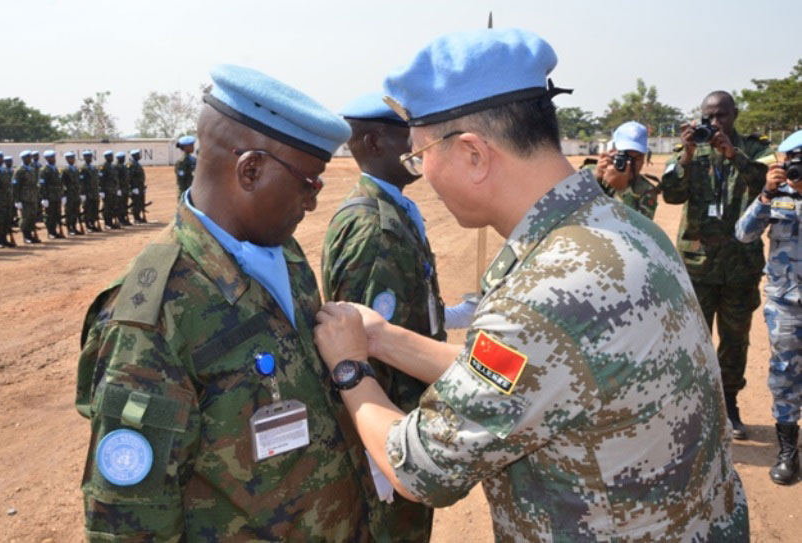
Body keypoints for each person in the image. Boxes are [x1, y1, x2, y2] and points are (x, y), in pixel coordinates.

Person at [312, 28, 748, 541]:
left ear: (473, 155)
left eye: (418, 155)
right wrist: (383, 338)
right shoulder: (620, 227)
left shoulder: (547, 291)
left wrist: (349, 368)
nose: (422, 173)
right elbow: (533, 373)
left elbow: (420, 469)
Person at [76, 63, 379, 541]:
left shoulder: (287, 255)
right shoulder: (153, 316)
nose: (314, 202)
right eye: (309, 183)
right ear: (251, 170)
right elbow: (131, 521)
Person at [321, 92, 444, 542]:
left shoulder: (393, 211)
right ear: (373, 143)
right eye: (407, 137)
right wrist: (380, 456)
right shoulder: (375, 227)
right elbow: (363, 347)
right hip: (390, 429)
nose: (418, 147)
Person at [661, 90, 773, 439]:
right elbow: (671, 194)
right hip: (697, 265)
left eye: (721, 115)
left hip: (740, 265)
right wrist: (687, 155)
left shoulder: (755, 150)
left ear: (734, 115)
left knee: (734, 339)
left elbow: (764, 182)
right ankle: (693, 408)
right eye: (708, 116)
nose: (714, 123)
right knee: (692, 339)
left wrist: (732, 153)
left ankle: (730, 404)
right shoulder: (690, 149)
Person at [735, 130, 802, 485]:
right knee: (785, 375)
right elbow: (743, 234)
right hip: (785, 302)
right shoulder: (775, 195)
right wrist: (766, 194)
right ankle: (788, 451)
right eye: (794, 161)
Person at [583, 121, 659, 220]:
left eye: (636, 158)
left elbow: (638, 230)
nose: (629, 163)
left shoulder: (646, 190)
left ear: (644, 158)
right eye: (625, 156)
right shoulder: (590, 172)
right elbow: (570, 211)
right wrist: (596, 180)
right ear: (612, 152)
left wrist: (622, 191)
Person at [13, 151, 40, 244]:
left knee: (32, 216)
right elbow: (15, 186)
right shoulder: (19, 170)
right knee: (25, 217)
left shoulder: (31, 169)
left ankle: (31, 235)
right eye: (28, 157)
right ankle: (26, 236)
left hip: (32, 197)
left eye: (30, 157)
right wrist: (17, 200)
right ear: (23, 158)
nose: (30, 159)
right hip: (24, 198)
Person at [39, 150, 65, 239]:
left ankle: (54, 231)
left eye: (53, 157)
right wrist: (44, 198)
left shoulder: (55, 169)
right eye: (51, 157)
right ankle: (50, 232)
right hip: (49, 196)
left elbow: (60, 183)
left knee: (56, 214)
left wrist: (62, 194)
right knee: (49, 215)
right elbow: (42, 185)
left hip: (57, 196)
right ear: (46, 158)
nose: (53, 159)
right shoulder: (44, 170)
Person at [61, 151, 83, 236]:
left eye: (73, 158)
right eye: (70, 158)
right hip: (69, 194)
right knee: (69, 212)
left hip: (76, 194)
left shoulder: (76, 169)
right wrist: (63, 195)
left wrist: (80, 192)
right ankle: (69, 228)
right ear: (67, 159)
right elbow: (61, 183)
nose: (72, 160)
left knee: (76, 211)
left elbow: (79, 182)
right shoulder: (65, 170)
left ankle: (74, 227)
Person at [98, 150, 120, 230]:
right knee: (107, 207)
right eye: (109, 156)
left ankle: (111, 222)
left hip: (113, 190)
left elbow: (116, 179)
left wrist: (117, 188)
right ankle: (107, 223)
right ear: (106, 157)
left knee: (113, 206)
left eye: (112, 156)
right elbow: (101, 179)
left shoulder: (112, 166)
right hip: (107, 190)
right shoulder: (103, 167)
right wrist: (101, 191)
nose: (111, 158)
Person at [79, 150, 100, 232]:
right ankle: (88, 225)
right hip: (87, 192)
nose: (89, 158)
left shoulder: (93, 168)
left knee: (95, 208)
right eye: (87, 156)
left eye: (90, 156)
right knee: (88, 209)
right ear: (84, 158)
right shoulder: (83, 169)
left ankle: (92, 223)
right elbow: (81, 182)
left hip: (94, 192)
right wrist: (82, 193)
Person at [127, 149, 147, 223]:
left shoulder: (137, 164)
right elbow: (130, 177)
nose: (139, 156)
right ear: (135, 156)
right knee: (136, 202)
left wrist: (143, 186)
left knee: (140, 201)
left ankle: (139, 217)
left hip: (140, 186)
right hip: (135, 187)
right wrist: (133, 187)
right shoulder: (131, 165)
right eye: (138, 155)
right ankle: (136, 217)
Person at [175, 135, 196, 201]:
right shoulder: (182, 162)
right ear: (185, 147)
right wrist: (184, 196)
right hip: (186, 193)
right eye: (191, 145)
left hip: (193, 191)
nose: (193, 147)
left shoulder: (193, 159)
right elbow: (181, 181)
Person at [115, 151, 131, 225]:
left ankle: (124, 218)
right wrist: (117, 189)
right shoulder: (116, 167)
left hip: (125, 188)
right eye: (122, 158)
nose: (123, 159)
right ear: (118, 159)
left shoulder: (124, 166)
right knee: (120, 204)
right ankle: (120, 219)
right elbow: (116, 179)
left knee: (124, 204)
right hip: (120, 188)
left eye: (124, 158)